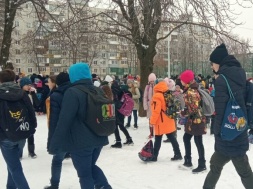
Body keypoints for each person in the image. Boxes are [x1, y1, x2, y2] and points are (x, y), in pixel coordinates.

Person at [48, 63, 112, 189]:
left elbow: (64, 121)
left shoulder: (73, 92)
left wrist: (54, 145)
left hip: (80, 141)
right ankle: (105, 186)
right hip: (99, 137)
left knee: (84, 174)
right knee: (90, 167)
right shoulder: (97, 90)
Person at [203, 43, 253, 189]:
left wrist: (217, 132)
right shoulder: (240, 73)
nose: (212, 67)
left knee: (242, 171)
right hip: (239, 129)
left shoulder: (221, 81)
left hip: (227, 136)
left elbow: (220, 111)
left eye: (212, 63)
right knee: (217, 166)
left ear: (218, 62)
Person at [0, 69, 37, 189]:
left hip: (5, 136)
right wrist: (32, 128)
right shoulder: (22, 94)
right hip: (22, 132)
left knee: (15, 167)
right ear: (14, 79)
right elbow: (31, 112)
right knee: (13, 164)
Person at [44, 72, 71, 189]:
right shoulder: (76, 92)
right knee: (83, 162)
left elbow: (54, 121)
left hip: (62, 132)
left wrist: (52, 142)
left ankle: (54, 185)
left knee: (57, 160)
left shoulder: (56, 96)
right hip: (78, 132)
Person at [180, 70, 207, 173]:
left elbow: (194, 108)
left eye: (182, 80)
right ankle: (188, 160)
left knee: (198, 141)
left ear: (186, 81)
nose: (181, 81)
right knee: (186, 138)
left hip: (196, 120)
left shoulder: (191, 92)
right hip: (194, 119)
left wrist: (184, 113)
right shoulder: (191, 89)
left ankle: (202, 164)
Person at [149, 80, 182, 162]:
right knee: (172, 138)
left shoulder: (157, 96)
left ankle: (154, 156)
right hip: (168, 119)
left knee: (158, 139)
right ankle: (178, 154)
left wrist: (152, 121)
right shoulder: (167, 94)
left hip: (161, 121)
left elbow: (156, 111)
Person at [110, 81, 134, 148]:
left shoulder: (114, 91)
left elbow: (114, 101)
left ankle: (118, 142)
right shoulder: (121, 90)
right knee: (121, 126)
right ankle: (129, 139)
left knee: (115, 126)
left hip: (117, 111)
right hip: (122, 110)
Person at [19, 77, 38, 159]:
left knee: (31, 134)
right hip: (21, 117)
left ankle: (31, 151)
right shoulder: (18, 94)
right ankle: (19, 153)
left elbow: (37, 104)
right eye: (26, 85)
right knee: (21, 136)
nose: (28, 86)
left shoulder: (31, 94)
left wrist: (34, 95)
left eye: (29, 85)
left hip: (30, 116)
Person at [143, 73, 156, 138]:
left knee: (156, 119)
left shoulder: (156, 86)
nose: (152, 82)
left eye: (153, 81)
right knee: (150, 120)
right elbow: (145, 97)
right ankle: (151, 133)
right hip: (149, 106)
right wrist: (145, 106)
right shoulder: (147, 87)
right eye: (151, 81)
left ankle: (157, 132)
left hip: (156, 106)